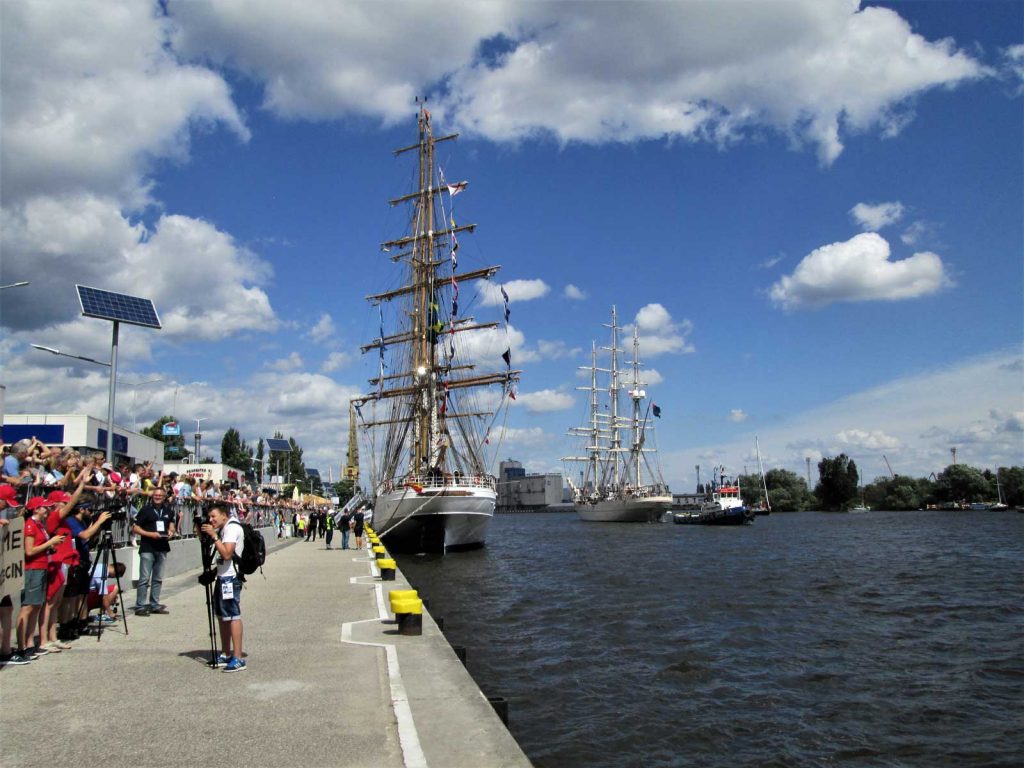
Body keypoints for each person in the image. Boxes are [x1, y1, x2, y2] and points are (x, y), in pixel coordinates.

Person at [17, 496, 65, 660]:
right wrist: (49, 543)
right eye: (44, 507)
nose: (47, 510)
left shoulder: (39, 524)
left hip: (41, 566)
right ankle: (22, 645)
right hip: (33, 568)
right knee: (28, 607)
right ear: (36, 509)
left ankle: (30, 643)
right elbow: (29, 551)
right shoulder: (30, 525)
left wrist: (51, 545)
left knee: (36, 606)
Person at [200, 504, 246, 673]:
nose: (211, 520)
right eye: (209, 517)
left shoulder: (232, 528)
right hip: (222, 576)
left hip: (230, 578)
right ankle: (226, 652)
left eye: (214, 517)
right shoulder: (224, 528)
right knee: (222, 616)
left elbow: (227, 553)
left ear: (224, 515)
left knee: (233, 616)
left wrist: (213, 536)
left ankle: (238, 657)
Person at [131, 486, 176, 616]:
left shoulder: (168, 511)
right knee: (144, 578)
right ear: (152, 496)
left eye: (160, 496)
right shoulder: (145, 510)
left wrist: (171, 531)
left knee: (158, 578)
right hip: (148, 547)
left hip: (162, 547)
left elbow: (171, 524)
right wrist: (150, 534)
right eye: (155, 495)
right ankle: (140, 606)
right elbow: (135, 528)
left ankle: (154, 604)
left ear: (164, 497)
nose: (157, 497)